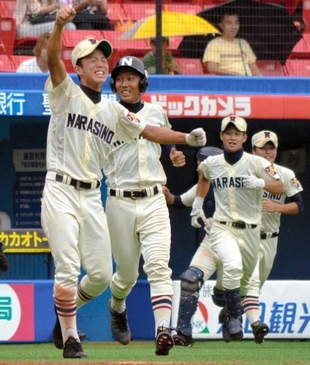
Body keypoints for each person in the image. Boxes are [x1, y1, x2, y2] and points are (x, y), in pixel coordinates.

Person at [43, 6, 206, 359]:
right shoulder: (65, 91)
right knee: (70, 266)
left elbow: (148, 130)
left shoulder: (115, 111)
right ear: (79, 67)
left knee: (102, 275)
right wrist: (59, 24)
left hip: (92, 194)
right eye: (92, 58)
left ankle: (67, 315)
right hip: (60, 188)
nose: (101, 62)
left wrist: (184, 140)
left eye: (104, 56)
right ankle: (71, 337)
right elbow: (53, 57)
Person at [104, 56, 196, 356]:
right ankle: (117, 305)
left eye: (131, 78)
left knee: (158, 266)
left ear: (142, 82)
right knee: (127, 274)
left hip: (155, 198)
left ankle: (162, 330)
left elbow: (163, 139)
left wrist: (174, 154)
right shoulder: (108, 111)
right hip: (119, 200)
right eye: (119, 78)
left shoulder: (155, 110)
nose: (124, 83)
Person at [190, 116, 284, 342]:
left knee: (245, 285)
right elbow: (203, 174)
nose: (232, 137)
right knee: (233, 268)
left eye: (237, 133)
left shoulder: (257, 163)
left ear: (244, 137)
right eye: (228, 133)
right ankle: (238, 320)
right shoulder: (213, 162)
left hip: (257, 234)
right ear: (221, 136)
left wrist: (261, 183)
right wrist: (197, 203)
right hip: (224, 228)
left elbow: (282, 186)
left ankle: (227, 306)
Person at [242, 130, 304, 342]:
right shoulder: (243, 170)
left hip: (270, 237)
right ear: (253, 150)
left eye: (271, 148)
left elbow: (299, 206)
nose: (267, 152)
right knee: (250, 281)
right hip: (246, 236)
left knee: (255, 286)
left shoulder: (286, 174)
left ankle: (232, 313)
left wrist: (277, 207)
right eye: (263, 148)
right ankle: (256, 324)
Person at [163, 146, 224, 347]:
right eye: (199, 163)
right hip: (211, 243)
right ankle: (184, 332)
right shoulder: (201, 186)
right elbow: (179, 201)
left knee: (227, 296)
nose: (200, 168)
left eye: (203, 164)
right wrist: (167, 195)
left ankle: (232, 314)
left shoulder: (234, 183)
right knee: (189, 280)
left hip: (237, 244)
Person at [202, 12, 262, 76]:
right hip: (228, 82)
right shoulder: (214, 44)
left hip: (247, 81)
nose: (233, 27)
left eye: (236, 23)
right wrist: (233, 74)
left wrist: (262, 82)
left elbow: (253, 67)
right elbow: (211, 67)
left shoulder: (243, 43)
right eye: (229, 23)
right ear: (221, 25)